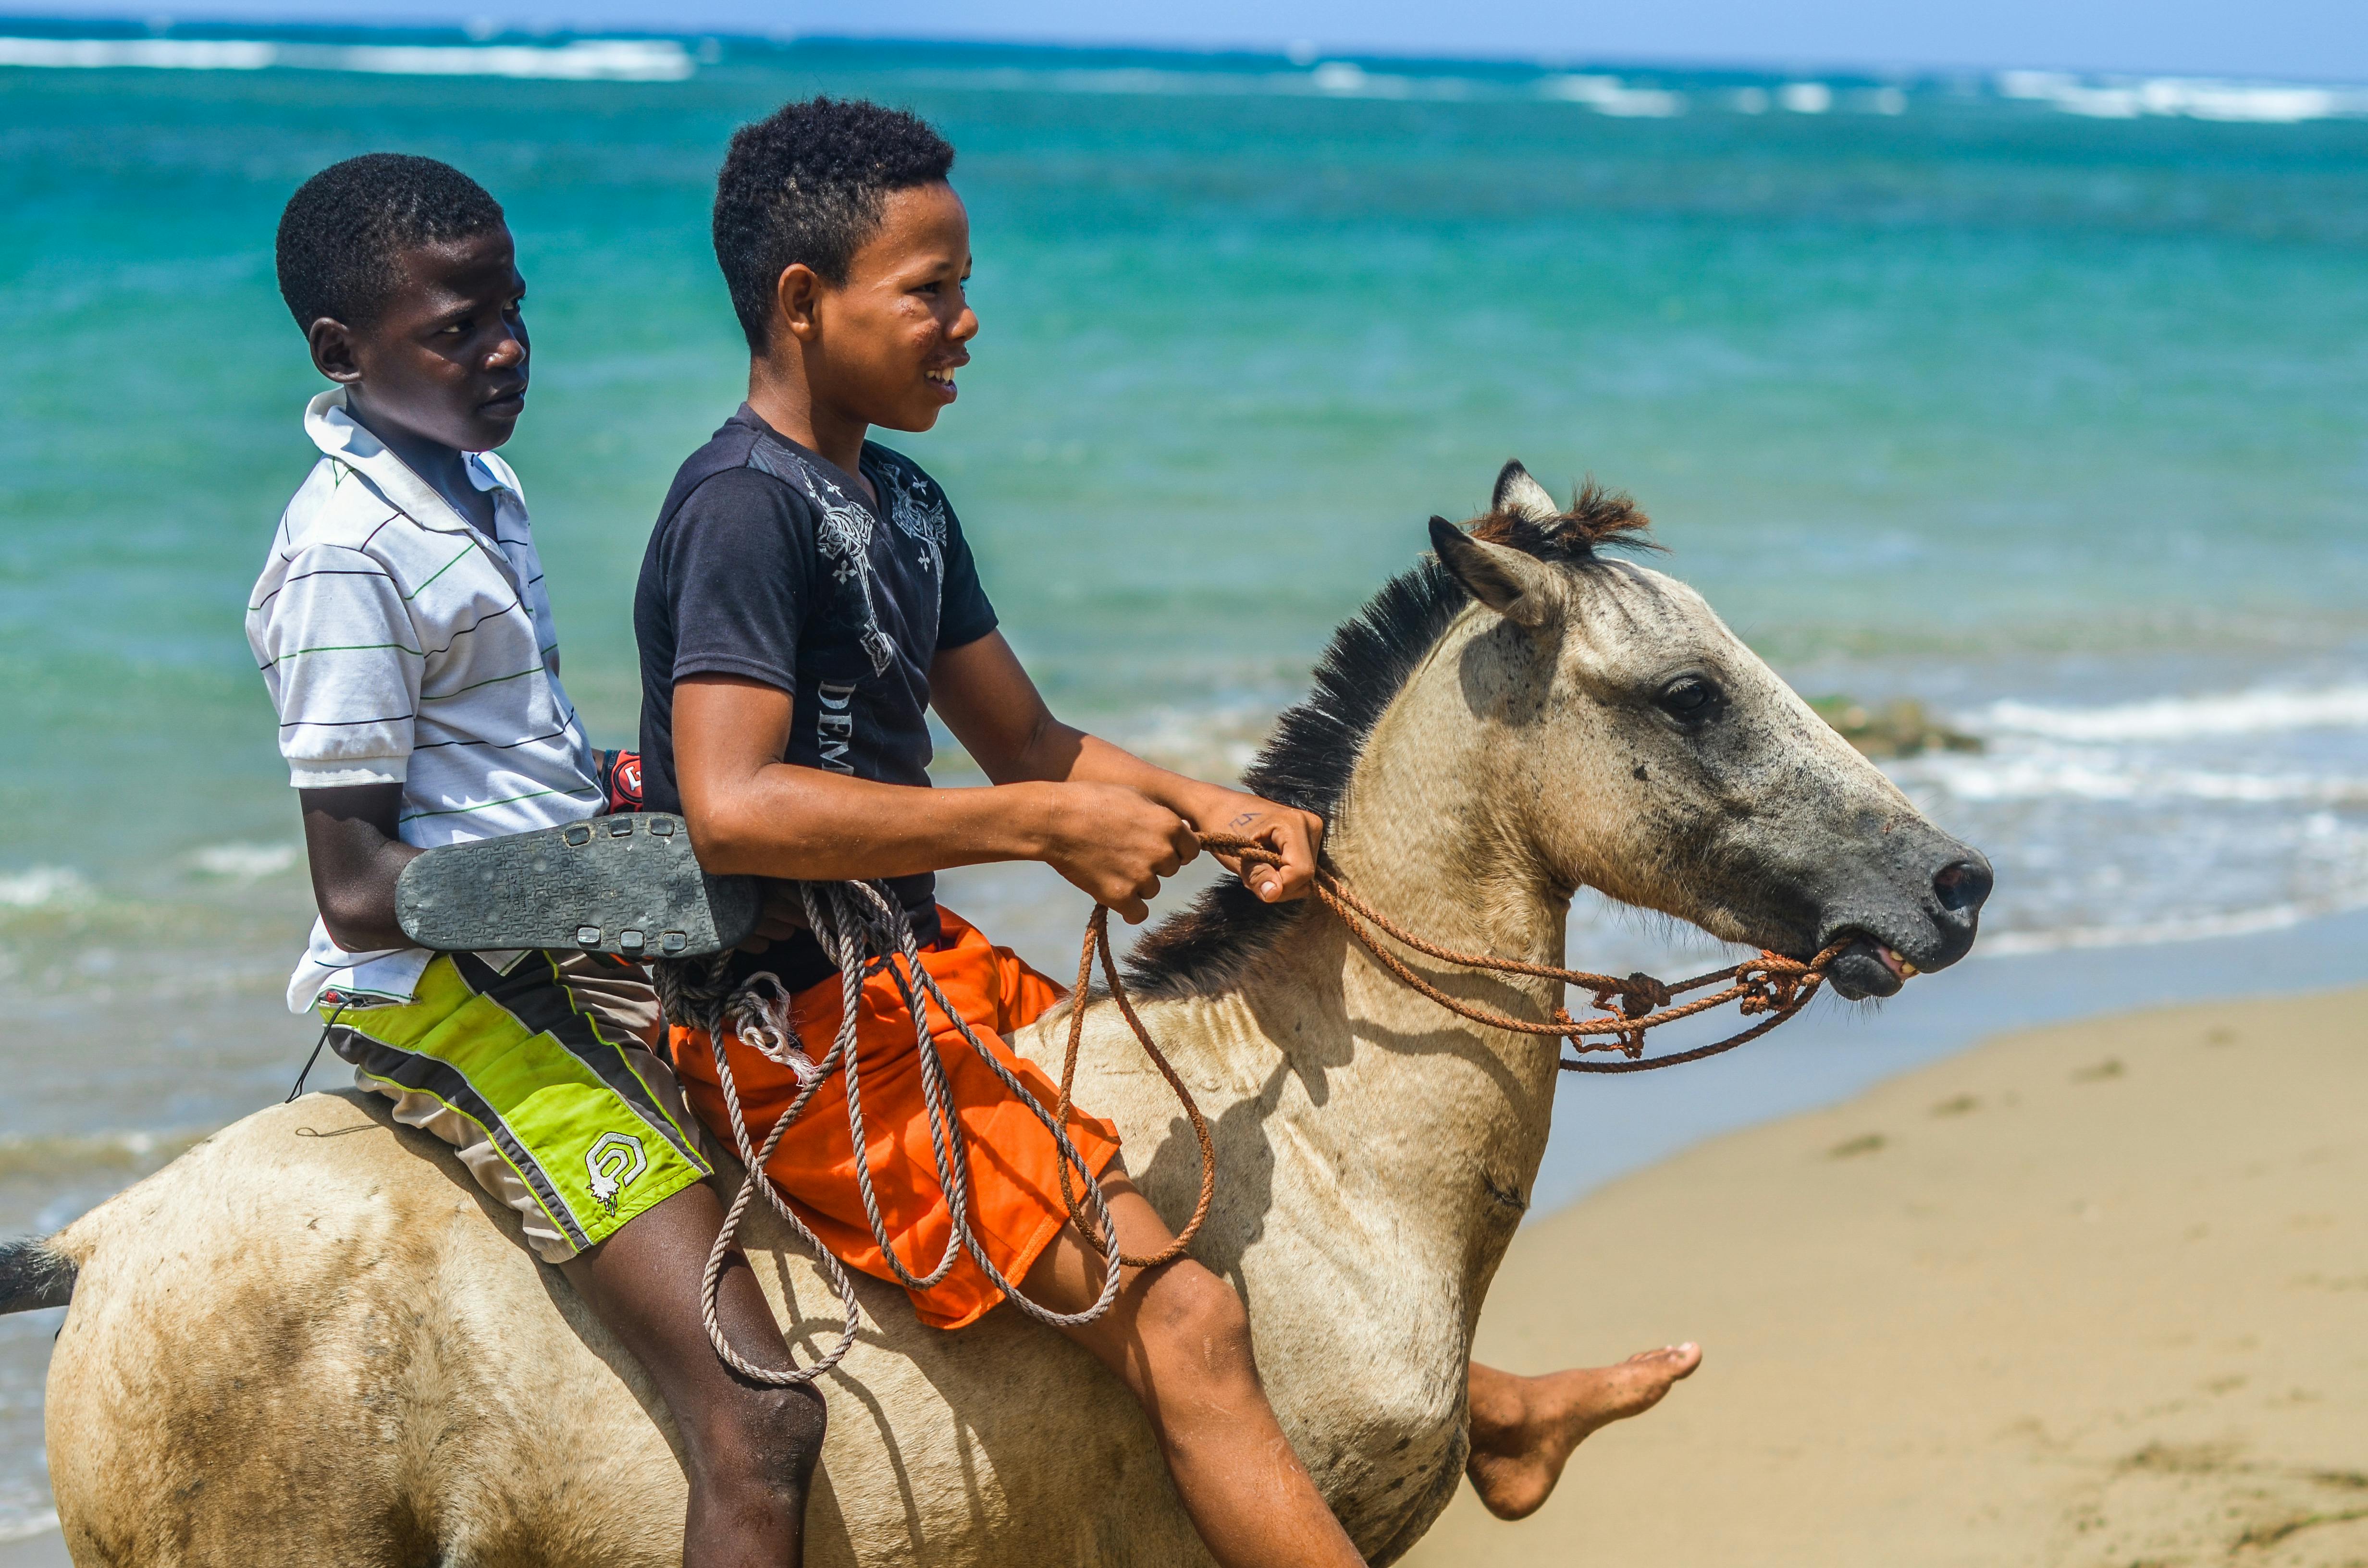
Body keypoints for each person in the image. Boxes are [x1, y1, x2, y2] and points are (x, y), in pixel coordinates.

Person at [636, 97, 1700, 1561]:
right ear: (805, 305)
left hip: (909, 969)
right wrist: (1040, 829)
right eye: (930, 291)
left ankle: (1488, 1412)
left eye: (964, 286)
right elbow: (731, 802)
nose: (967, 322)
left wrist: (1213, 807)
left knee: (1201, 1182)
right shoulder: (740, 513)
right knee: (1188, 1313)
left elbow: (1032, 738)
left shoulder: (905, 503)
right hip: (786, 1025)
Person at [248, 153, 823, 1567]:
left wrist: (631, 804)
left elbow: (501, 758)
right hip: (444, 987)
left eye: (515, 308)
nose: (507, 347)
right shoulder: (344, 554)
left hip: (540, 933)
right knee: (764, 1417)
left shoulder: (474, 480)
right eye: (459, 327)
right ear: (341, 351)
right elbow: (361, 887)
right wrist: (633, 881)